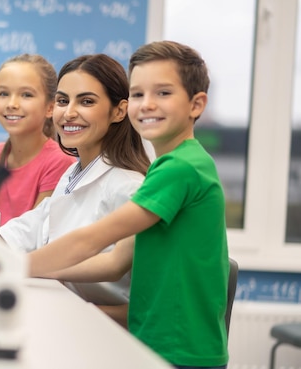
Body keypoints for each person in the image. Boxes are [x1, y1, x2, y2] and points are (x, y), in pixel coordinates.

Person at [27, 41, 229, 369]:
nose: (147, 105)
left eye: (163, 93)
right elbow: (114, 262)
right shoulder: (170, 166)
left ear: (196, 104)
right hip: (155, 342)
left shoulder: (181, 168)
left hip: (179, 350)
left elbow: (94, 238)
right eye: (138, 94)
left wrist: (16, 267)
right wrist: (40, 270)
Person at [0, 54, 150, 325]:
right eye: (63, 100)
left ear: (119, 110)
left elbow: (125, 281)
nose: (68, 112)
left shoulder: (129, 187)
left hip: (103, 333)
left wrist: (23, 266)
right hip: (64, 313)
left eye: (87, 101)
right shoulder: (75, 172)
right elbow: (32, 227)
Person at [0, 54, 76, 226]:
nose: (12, 104)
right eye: (3, 93)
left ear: (50, 107)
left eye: (26, 95)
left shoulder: (59, 161)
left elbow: (32, 232)